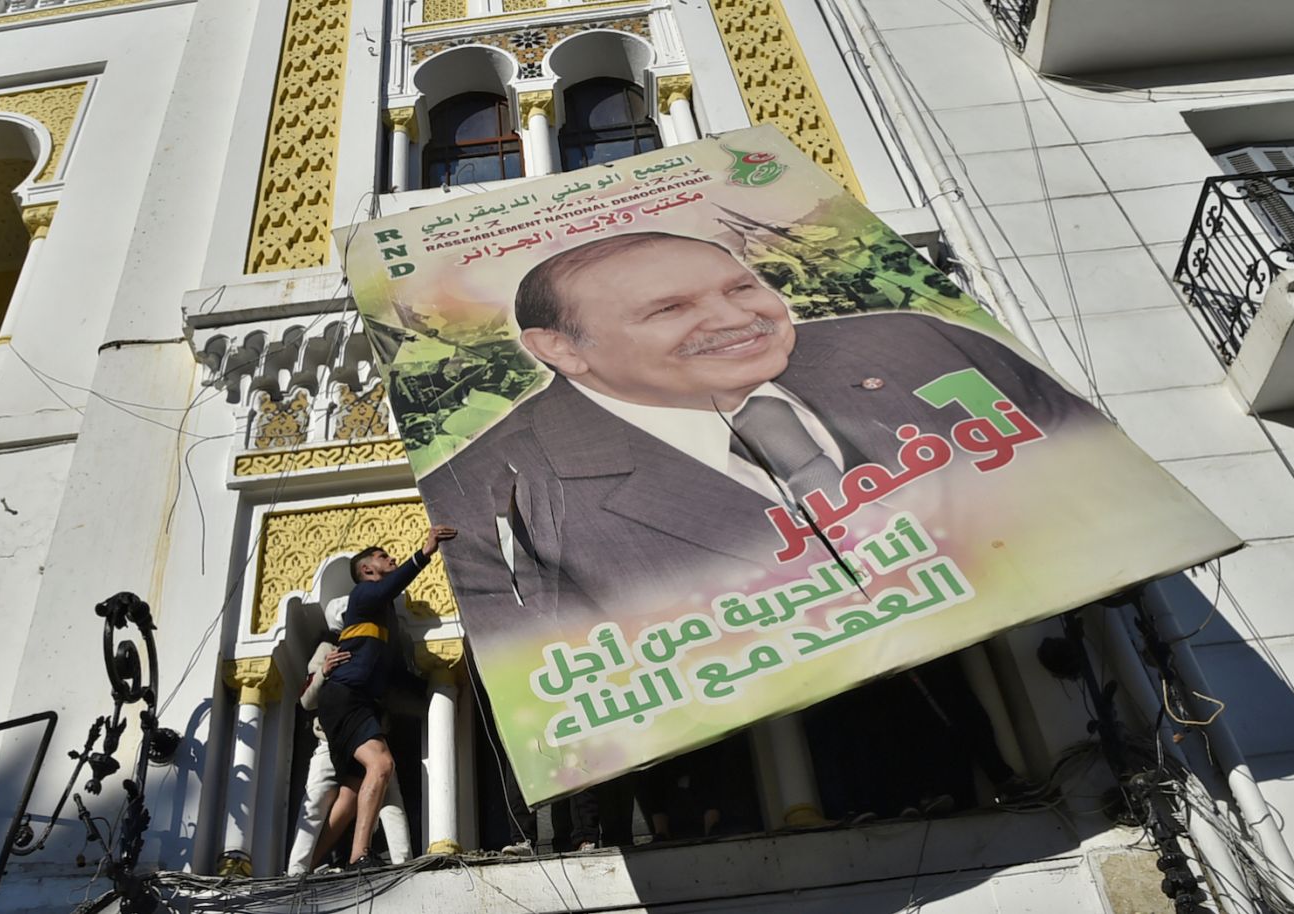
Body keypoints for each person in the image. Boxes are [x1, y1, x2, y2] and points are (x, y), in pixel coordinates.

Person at [428, 231, 1102, 640]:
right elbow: (548, 681)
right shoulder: (489, 496)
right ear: (562, 348)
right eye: (671, 308)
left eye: (741, 287)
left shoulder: (912, 342)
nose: (737, 320)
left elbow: (1098, 473)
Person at [315, 525, 457, 869]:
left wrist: (436, 688)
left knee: (351, 790)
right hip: (346, 696)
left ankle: (309, 864)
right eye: (382, 557)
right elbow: (392, 585)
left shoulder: (384, 621)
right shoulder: (363, 596)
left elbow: (392, 673)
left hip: (354, 700)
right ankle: (359, 855)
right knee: (382, 764)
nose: (390, 559)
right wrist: (424, 553)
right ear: (366, 570)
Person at [288, 637, 412, 874]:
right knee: (316, 799)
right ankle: (297, 870)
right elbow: (307, 701)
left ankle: (403, 863)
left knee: (384, 796)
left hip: (368, 737)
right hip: (330, 740)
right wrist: (324, 671)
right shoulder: (328, 649)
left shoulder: (378, 652)